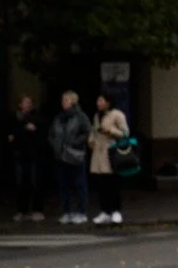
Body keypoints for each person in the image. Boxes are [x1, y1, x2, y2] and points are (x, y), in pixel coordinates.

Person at [49, 91, 91, 225]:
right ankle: (66, 212)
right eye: (63, 100)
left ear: (73, 102)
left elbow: (87, 132)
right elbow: (51, 133)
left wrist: (75, 142)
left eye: (65, 100)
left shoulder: (80, 117)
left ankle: (82, 212)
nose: (63, 103)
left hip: (75, 155)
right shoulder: (58, 118)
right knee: (64, 185)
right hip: (61, 155)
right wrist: (55, 144)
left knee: (79, 184)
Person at [88, 94, 129, 226]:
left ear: (108, 102)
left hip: (111, 153)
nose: (98, 103)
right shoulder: (96, 116)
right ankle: (105, 211)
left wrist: (110, 130)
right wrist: (91, 141)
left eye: (101, 100)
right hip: (98, 154)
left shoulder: (117, 115)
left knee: (112, 184)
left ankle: (116, 211)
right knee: (101, 185)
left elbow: (125, 133)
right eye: (97, 100)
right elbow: (94, 131)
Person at [10, 95, 45, 221]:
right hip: (20, 154)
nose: (28, 105)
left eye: (30, 102)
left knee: (35, 182)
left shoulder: (37, 117)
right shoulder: (15, 118)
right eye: (25, 102)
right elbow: (12, 134)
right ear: (20, 105)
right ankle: (21, 210)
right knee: (21, 183)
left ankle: (37, 209)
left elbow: (40, 133)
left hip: (33, 154)